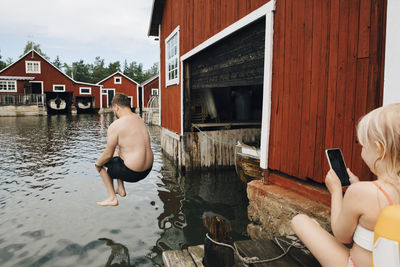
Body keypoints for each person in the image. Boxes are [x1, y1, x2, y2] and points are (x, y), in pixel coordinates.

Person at [291, 103, 400, 267]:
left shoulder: (360, 192)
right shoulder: (371, 190)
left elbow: (342, 235)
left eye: (363, 146)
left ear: (379, 149)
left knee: (300, 221)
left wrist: (336, 191)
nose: (362, 151)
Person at [95, 93, 153, 206]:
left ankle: (112, 198)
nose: (114, 112)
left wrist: (98, 164)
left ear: (116, 107)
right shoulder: (140, 119)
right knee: (117, 152)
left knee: (100, 165)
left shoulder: (116, 125)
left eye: (113, 109)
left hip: (133, 172)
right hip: (147, 169)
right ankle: (120, 189)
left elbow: (107, 154)